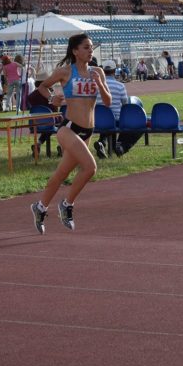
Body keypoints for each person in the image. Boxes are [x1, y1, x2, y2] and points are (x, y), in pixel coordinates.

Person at [30, 33, 112, 234]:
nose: (90, 51)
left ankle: (40, 207)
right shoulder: (65, 72)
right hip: (69, 128)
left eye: (91, 47)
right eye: (86, 47)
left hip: (87, 131)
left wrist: (99, 84)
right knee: (90, 168)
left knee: (62, 173)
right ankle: (67, 204)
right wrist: (52, 100)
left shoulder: (98, 72)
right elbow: (42, 86)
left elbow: (108, 102)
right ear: (75, 51)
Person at [93, 61, 142, 159]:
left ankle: (102, 143)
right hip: (115, 119)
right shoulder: (120, 86)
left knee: (105, 118)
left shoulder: (96, 85)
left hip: (97, 119)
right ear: (115, 71)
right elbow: (125, 105)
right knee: (137, 126)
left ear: (102, 71)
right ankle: (122, 146)